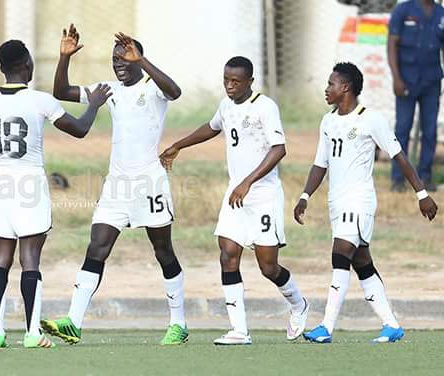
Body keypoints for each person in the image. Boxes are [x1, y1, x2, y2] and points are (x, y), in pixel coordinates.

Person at [41, 25, 189, 346]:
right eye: (115, 58)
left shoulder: (152, 86)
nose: (119, 62)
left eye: (125, 57)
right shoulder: (107, 89)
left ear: (137, 58)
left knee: (162, 250)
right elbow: (61, 92)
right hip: (117, 185)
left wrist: (144, 60)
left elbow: (175, 91)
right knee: (97, 247)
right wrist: (64, 57)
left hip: (150, 182)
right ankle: (74, 322)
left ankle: (179, 323)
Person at [0, 39, 111, 349]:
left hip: (1, 184)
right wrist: (94, 104)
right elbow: (79, 129)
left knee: (0, 260)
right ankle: (33, 334)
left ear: (1, 68)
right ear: (27, 66)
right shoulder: (40, 100)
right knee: (30, 258)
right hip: (30, 183)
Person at [160, 56, 309, 346]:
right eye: (226, 80)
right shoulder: (226, 105)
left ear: (250, 82)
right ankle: (239, 330)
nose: (229, 86)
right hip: (236, 195)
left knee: (269, 267)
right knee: (228, 254)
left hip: (262, 195)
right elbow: (213, 126)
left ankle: (299, 304)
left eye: (235, 82)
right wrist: (179, 144)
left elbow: (279, 149)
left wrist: (247, 182)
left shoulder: (265, 107)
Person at [298, 62, 438, 343]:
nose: (326, 89)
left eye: (331, 84)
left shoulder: (370, 119)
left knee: (340, 255)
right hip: (336, 202)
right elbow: (319, 164)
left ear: (345, 88)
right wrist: (305, 196)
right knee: (362, 263)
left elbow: (399, 155)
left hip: (359, 201)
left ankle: (326, 326)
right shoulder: (328, 121)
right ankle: (391, 324)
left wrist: (421, 194)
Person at [387, 0, 444, 192]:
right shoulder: (403, 10)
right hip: (406, 80)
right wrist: (396, 78)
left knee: (430, 132)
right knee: (402, 130)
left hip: (432, 82)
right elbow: (392, 44)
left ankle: (425, 177)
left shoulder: (440, 13)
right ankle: (398, 179)